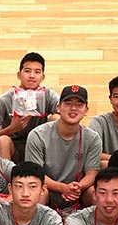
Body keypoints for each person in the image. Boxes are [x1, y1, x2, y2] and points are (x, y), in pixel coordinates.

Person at [26, 85, 102, 213]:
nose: (73, 108)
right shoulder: (38, 135)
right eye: (68, 103)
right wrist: (62, 188)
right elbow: (35, 174)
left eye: (79, 104)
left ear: (86, 110)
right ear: (58, 107)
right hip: (48, 190)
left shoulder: (92, 138)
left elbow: (92, 173)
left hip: (78, 193)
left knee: (96, 193)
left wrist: (77, 187)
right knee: (38, 192)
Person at [0, 52, 60, 163]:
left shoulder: (49, 95)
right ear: (19, 74)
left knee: (57, 118)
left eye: (37, 72)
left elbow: (66, 116)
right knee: (2, 140)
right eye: (27, 71)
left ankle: (53, 175)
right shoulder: (4, 100)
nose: (32, 76)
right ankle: (6, 179)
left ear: (42, 77)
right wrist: (11, 129)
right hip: (14, 148)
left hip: (41, 146)